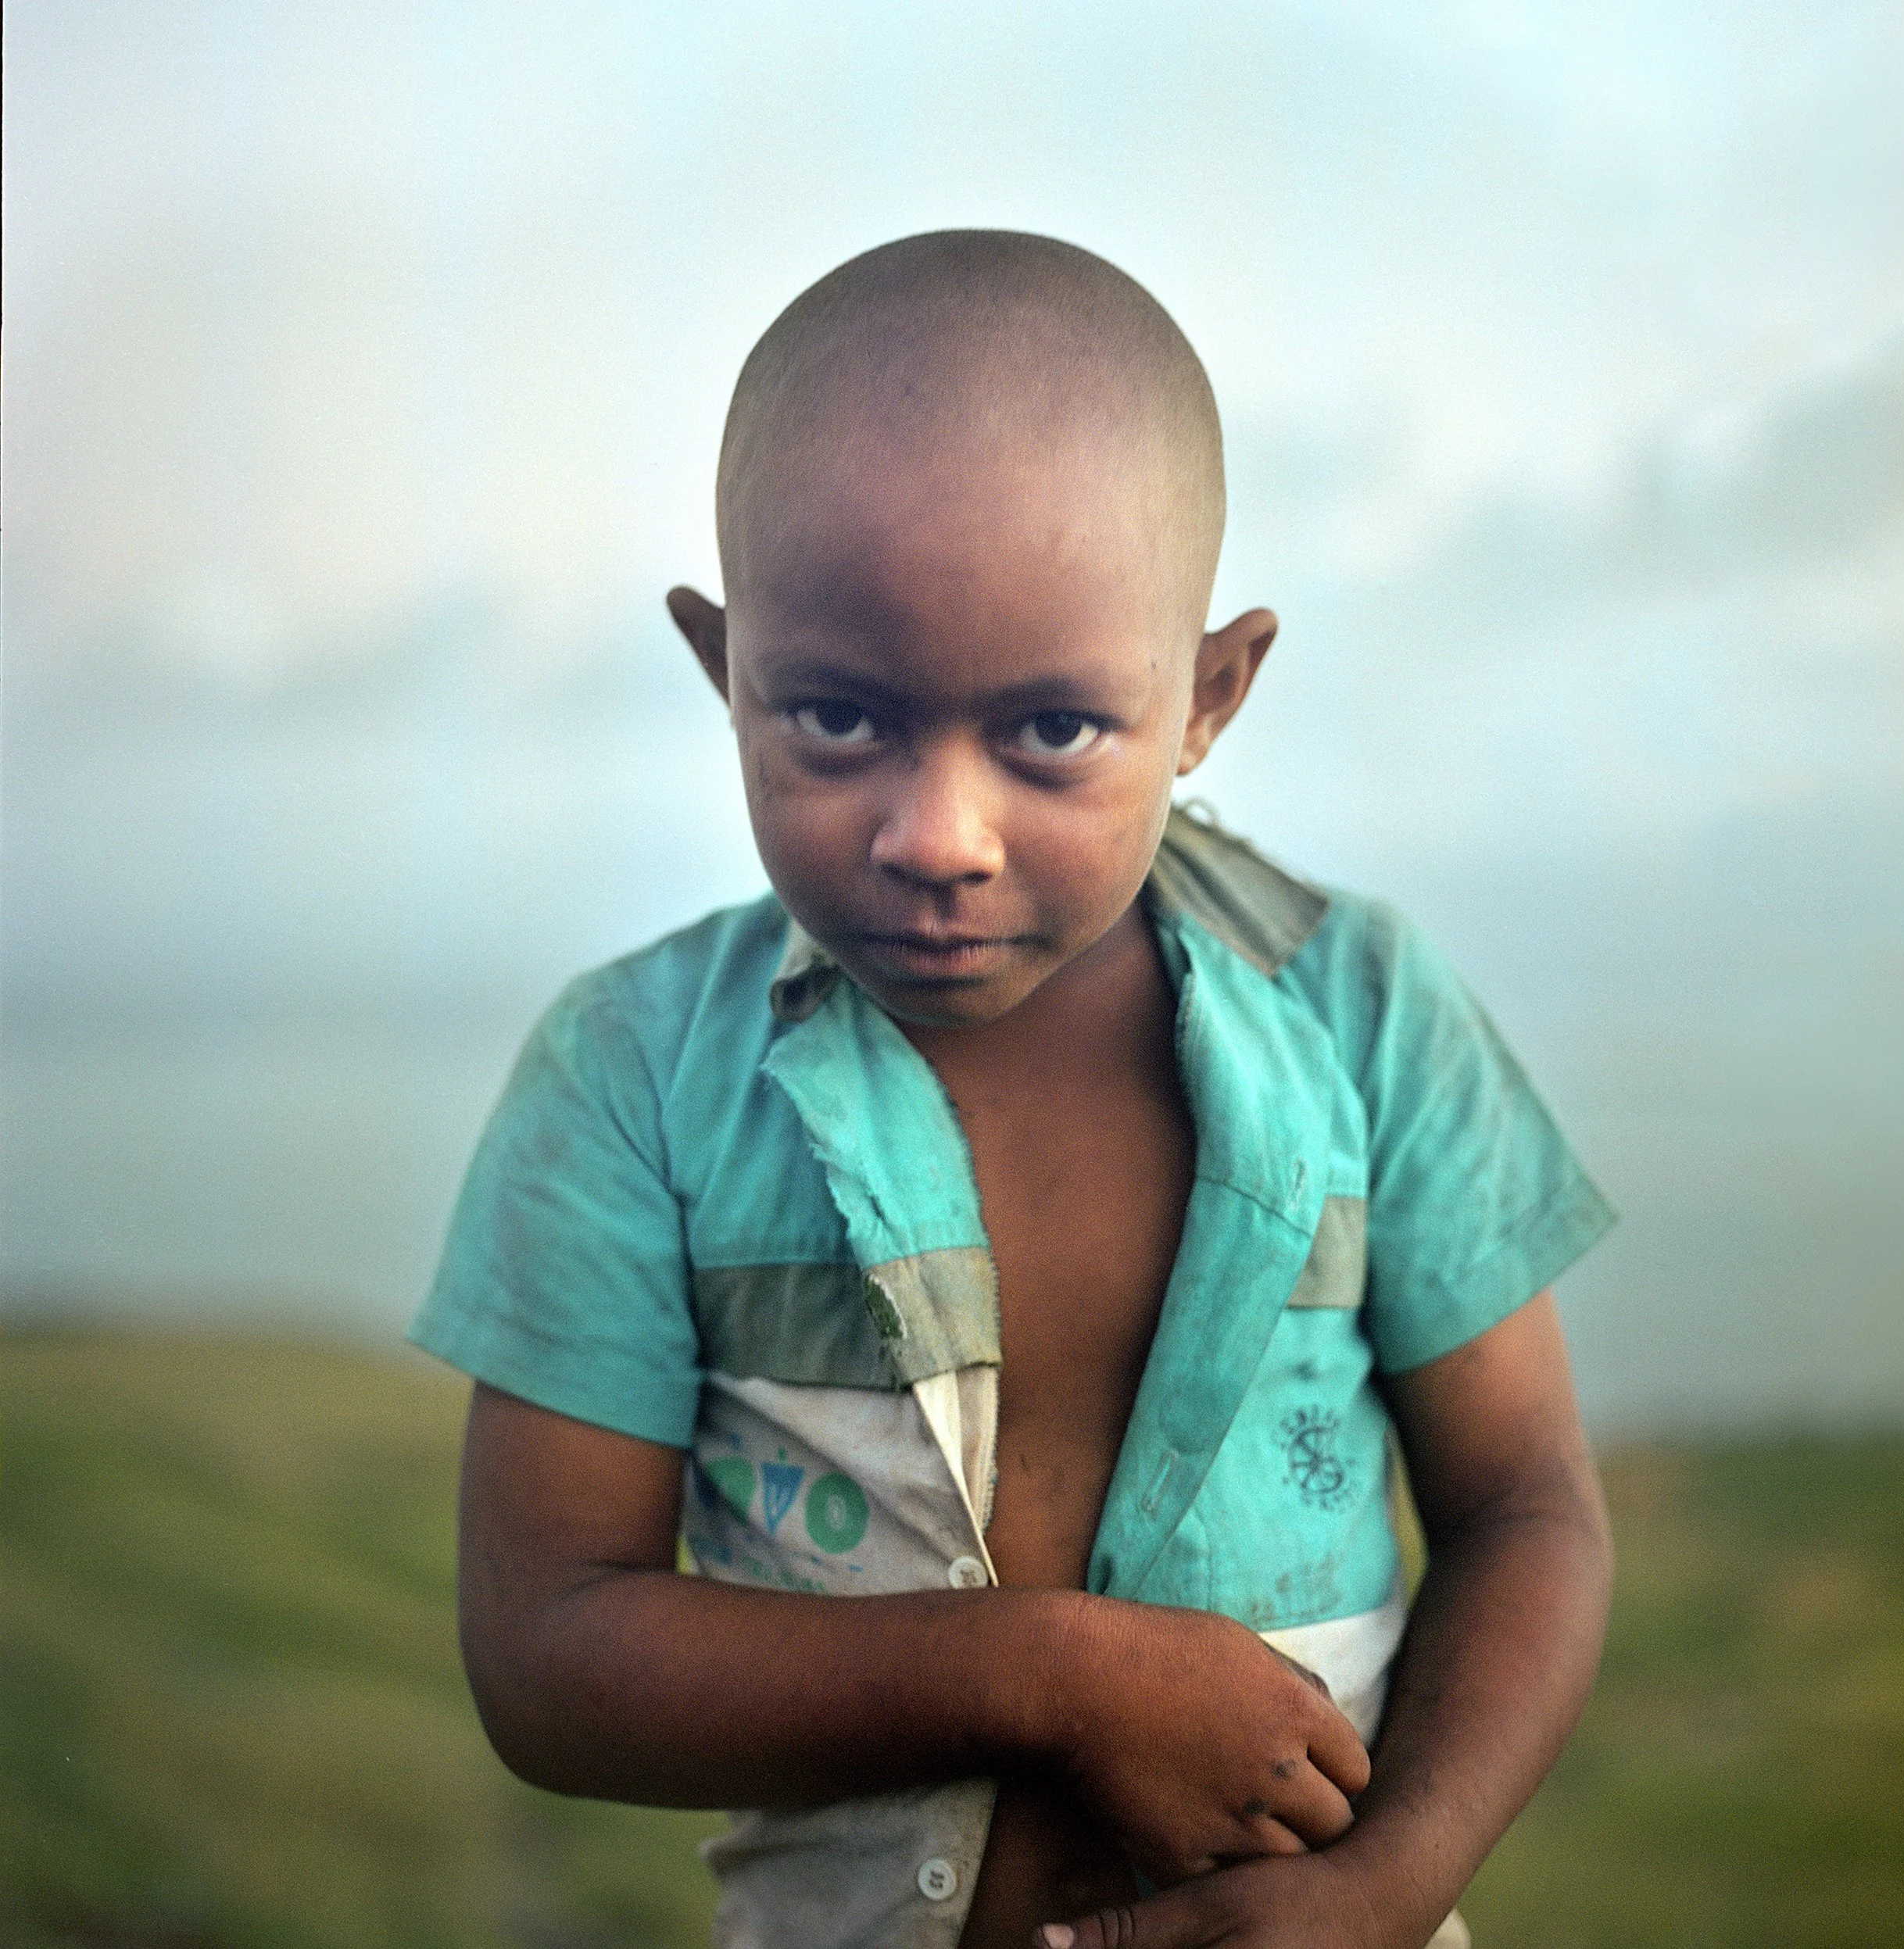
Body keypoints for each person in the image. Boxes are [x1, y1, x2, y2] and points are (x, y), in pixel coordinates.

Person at [410, 230, 1617, 1949]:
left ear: (1206, 696)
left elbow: (1525, 1509)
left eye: (1051, 732)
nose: (936, 838)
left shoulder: (1362, 1017)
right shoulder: (633, 1077)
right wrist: (1049, 1675)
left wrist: (1384, 1881)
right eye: (832, 716)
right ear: (718, 663)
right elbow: (545, 1652)